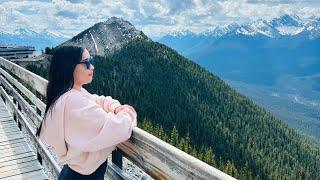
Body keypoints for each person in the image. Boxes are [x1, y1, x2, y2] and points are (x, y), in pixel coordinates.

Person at [36, 46, 137, 180]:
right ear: (70, 67)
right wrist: (127, 111)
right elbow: (119, 127)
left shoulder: (70, 92)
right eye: (87, 62)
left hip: (75, 173)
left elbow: (98, 100)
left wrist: (115, 108)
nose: (92, 67)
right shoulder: (74, 102)